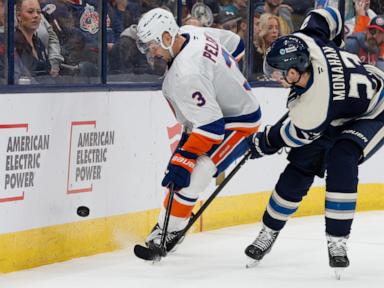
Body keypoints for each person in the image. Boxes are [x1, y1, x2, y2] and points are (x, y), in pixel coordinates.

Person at [244, 6, 384, 276]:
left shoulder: (313, 110)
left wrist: (265, 141)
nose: (276, 77)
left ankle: (337, 240)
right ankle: (269, 230)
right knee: (300, 165)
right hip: (341, 108)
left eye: (279, 72)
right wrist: (334, 45)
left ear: (295, 72)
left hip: (374, 111)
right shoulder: (307, 41)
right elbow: (326, 14)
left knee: (342, 156)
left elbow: (291, 135)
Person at [135, 8, 261, 253]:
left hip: (239, 121)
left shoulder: (186, 73)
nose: (151, 51)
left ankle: (169, 230)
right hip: (214, 116)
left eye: (152, 45)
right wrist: (219, 81)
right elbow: (235, 44)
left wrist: (185, 158)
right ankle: (166, 226)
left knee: (195, 173)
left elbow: (212, 128)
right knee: (180, 169)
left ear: (167, 37)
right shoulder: (189, 32)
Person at [15, 0, 53, 83]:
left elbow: (48, 71)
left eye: (39, 12)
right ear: (19, 16)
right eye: (30, 12)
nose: (36, 15)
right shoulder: (14, 44)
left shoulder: (39, 42)